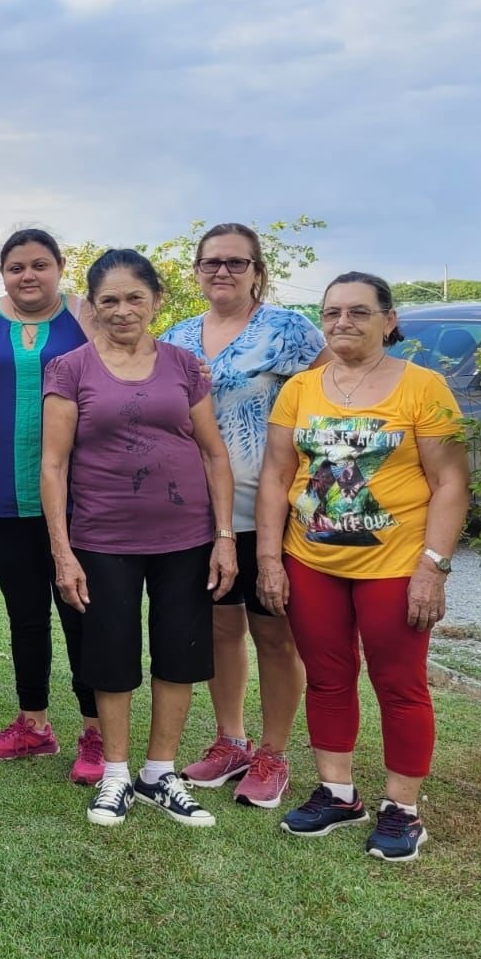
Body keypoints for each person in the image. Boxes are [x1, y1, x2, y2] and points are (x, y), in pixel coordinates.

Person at [257, 272, 468, 862]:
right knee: (327, 677)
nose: (342, 322)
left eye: (358, 311)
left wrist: (433, 567)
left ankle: (403, 808)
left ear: (388, 320)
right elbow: (276, 475)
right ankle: (338, 793)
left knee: (399, 684)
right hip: (311, 560)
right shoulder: (300, 388)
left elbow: (451, 482)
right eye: (331, 313)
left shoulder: (424, 387)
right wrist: (270, 558)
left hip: (395, 564)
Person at [41, 249, 238, 828]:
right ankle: (116, 773)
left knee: (179, 653)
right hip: (102, 538)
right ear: (92, 306)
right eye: (110, 300)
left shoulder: (184, 366)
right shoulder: (70, 369)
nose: (122, 310)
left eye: (134, 298)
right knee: (111, 655)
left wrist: (224, 537)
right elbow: (53, 465)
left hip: (186, 538)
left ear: (156, 301)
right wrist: (62, 552)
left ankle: (160, 773)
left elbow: (213, 453)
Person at [160, 224, 328, 809]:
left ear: (257, 270)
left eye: (236, 262)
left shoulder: (289, 331)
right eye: (211, 262)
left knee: (274, 632)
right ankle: (231, 740)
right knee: (219, 627)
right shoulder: (176, 337)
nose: (222, 272)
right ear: (196, 271)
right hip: (198, 511)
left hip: (268, 507)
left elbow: (331, 400)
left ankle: (274, 752)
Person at [0, 229, 103, 782]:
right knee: (25, 614)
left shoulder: (86, 315)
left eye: (40, 265)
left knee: (82, 614)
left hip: (81, 496)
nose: (28, 275)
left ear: (60, 267)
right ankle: (33, 725)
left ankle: (97, 733)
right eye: (16, 267)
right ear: (3, 274)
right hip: (1, 493)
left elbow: (129, 369)